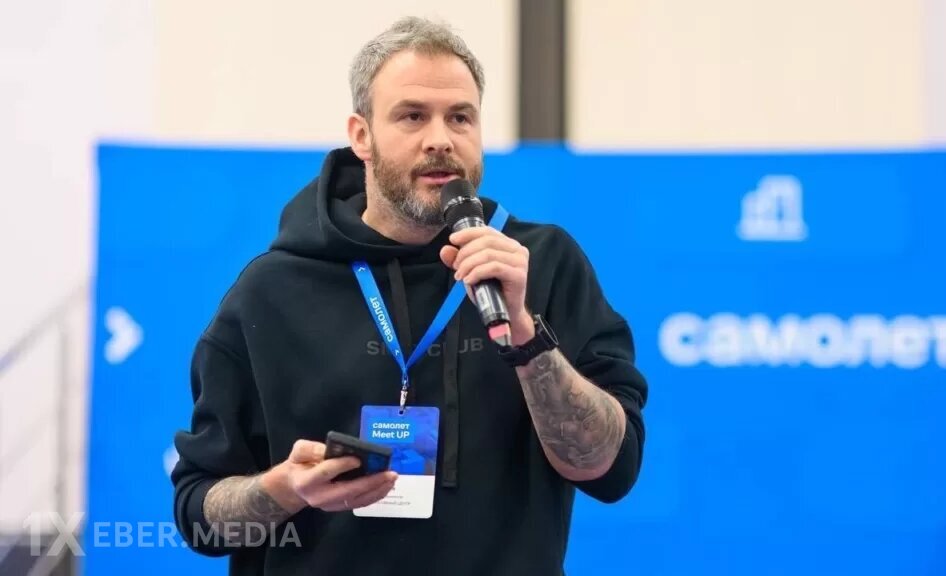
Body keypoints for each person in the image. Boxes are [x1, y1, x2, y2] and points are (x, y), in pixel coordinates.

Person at [170, 15, 648, 576]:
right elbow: (200, 520)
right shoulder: (271, 291)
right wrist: (285, 489)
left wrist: (524, 334)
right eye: (413, 116)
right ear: (361, 136)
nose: (441, 138)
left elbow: (611, 470)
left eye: (460, 117)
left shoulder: (542, 264)